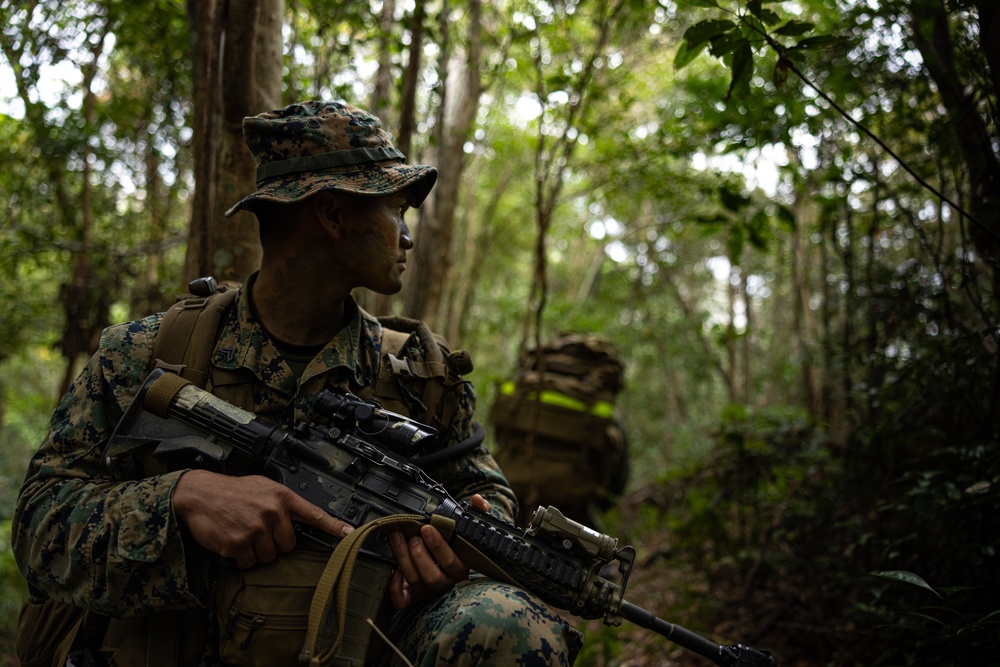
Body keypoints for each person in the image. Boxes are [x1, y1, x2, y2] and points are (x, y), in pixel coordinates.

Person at [13, 100, 582, 666]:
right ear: (333, 215)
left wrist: (449, 559)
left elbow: (487, 495)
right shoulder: (149, 356)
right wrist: (180, 501)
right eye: (396, 211)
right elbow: (38, 529)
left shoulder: (419, 375)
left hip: (356, 648)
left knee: (507, 624)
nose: (407, 239)